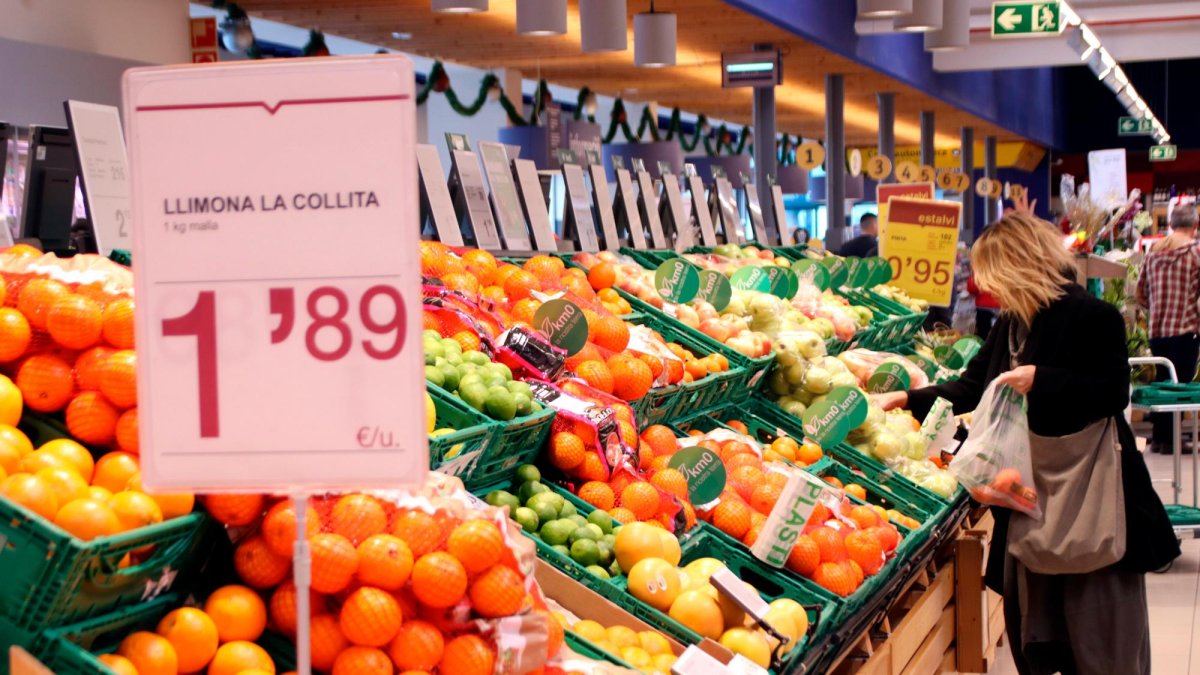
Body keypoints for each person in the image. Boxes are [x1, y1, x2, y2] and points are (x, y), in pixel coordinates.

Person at [875, 212, 1152, 675]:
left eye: (992, 276)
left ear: (1019, 266)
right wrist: (902, 397)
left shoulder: (1093, 317)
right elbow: (971, 387)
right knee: (1035, 632)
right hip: (1028, 496)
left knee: (1099, 636)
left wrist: (1042, 379)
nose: (987, 288)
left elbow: (1112, 393)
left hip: (1089, 496)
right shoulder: (1011, 324)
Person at [1136, 204, 1200, 454]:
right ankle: (1172, 440)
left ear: (1172, 225)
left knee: (1162, 385)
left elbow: (1140, 292)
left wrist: (1155, 308)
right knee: (1180, 387)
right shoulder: (1195, 252)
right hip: (1184, 329)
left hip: (1157, 332)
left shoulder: (1154, 252)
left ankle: (1161, 438)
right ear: (1195, 225)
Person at [967, 272, 1000, 340]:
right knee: (1001, 335)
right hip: (1002, 306)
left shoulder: (981, 269)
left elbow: (972, 288)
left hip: (983, 306)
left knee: (983, 335)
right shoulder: (1004, 267)